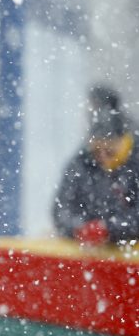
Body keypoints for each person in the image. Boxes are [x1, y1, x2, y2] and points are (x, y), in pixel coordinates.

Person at [53, 84, 139, 245]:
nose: (103, 157)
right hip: (90, 253)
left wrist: (110, 229)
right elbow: (61, 209)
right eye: (96, 152)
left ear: (124, 143)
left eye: (110, 152)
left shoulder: (134, 163)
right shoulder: (80, 163)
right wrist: (79, 228)